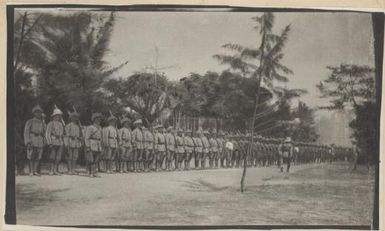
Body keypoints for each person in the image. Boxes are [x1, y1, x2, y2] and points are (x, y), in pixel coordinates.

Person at [24, 105, 46, 176]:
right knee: (31, 156)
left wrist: (44, 141)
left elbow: (44, 133)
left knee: (38, 156)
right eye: (37, 112)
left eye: (40, 112)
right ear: (34, 113)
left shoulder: (42, 123)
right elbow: (26, 131)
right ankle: (31, 171)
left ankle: (35, 170)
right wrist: (28, 141)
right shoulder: (30, 121)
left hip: (40, 140)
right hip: (32, 138)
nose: (38, 114)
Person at [46, 106, 65, 175]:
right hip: (53, 141)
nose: (58, 117)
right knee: (52, 157)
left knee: (58, 157)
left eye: (59, 116)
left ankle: (56, 169)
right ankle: (51, 170)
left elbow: (62, 134)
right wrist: (49, 142)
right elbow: (47, 134)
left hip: (59, 142)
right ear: (53, 116)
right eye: (56, 116)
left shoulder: (61, 124)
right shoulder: (50, 124)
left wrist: (62, 141)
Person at [84, 112, 103, 177]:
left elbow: (101, 138)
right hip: (92, 144)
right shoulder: (90, 127)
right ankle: (90, 172)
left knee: (96, 160)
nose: (99, 120)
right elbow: (86, 138)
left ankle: (95, 172)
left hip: (98, 145)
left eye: (100, 119)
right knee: (91, 159)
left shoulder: (100, 128)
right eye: (97, 119)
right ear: (94, 120)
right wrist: (88, 146)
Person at [64, 110, 82, 175]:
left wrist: (79, 143)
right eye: (74, 117)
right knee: (69, 157)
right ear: (71, 118)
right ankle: (69, 170)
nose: (75, 119)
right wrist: (66, 144)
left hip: (76, 143)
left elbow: (79, 136)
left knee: (75, 157)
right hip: (70, 142)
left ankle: (73, 169)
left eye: (76, 117)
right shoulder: (68, 126)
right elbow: (66, 136)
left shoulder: (78, 127)